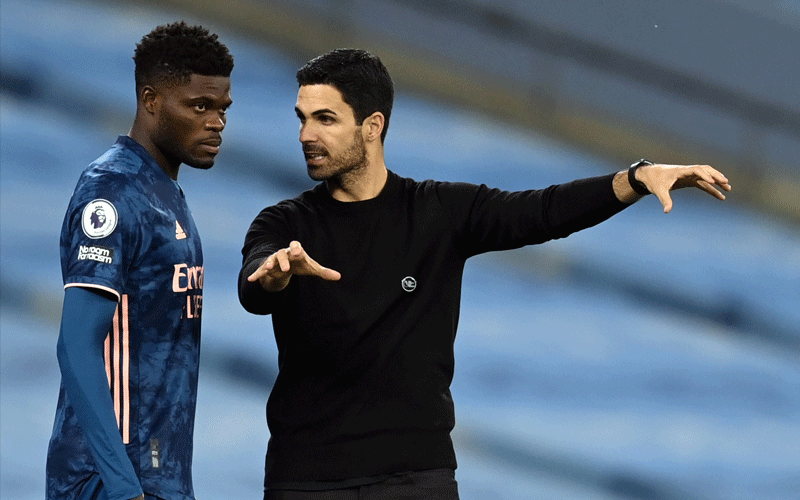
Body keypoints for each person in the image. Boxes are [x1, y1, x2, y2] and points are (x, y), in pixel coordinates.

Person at [238, 49, 731, 500]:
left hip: (415, 480)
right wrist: (273, 276)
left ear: (372, 125)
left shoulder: (439, 211)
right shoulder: (283, 223)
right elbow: (254, 283)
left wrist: (638, 177)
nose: (306, 135)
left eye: (325, 119)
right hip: (304, 482)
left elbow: (543, 212)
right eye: (302, 119)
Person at [46, 22, 233, 500]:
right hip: (107, 481)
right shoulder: (111, 192)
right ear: (151, 101)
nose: (216, 122)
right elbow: (76, 345)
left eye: (222, 109)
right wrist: (125, 489)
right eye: (200, 107)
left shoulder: (165, 192)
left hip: (158, 479)